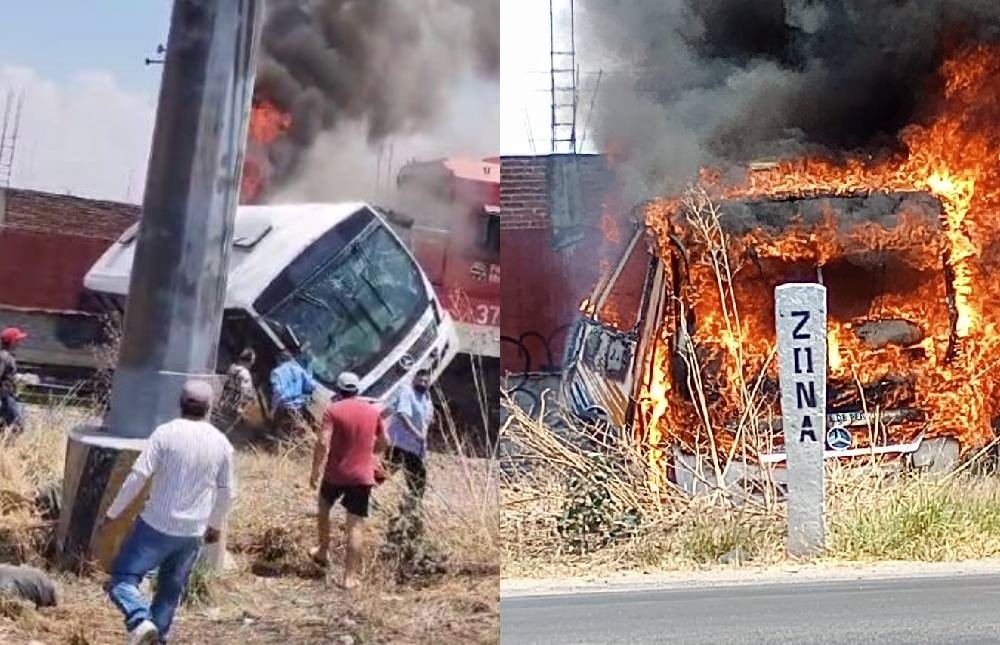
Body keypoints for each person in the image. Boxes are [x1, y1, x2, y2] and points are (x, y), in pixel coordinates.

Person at [100, 380, 235, 645]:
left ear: (180, 403)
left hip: (156, 525)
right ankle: (157, 637)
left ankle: (139, 620)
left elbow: (138, 476)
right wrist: (215, 525)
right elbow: (228, 491)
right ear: (210, 407)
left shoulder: (165, 433)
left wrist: (113, 513)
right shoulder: (221, 443)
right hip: (192, 532)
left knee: (122, 580)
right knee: (169, 592)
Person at [309, 371, 388, 589]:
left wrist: (315, 471)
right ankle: (349, 578)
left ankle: (323, 550)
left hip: (335, 474)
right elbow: (384, 441)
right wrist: (373, 458)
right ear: (358, 390)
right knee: (355, 526)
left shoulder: (333, 410)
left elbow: (323, 442)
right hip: (362, 477)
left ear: (338, 390)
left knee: (323, 507)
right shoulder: (373, 411)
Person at [385, 368, 435, 518]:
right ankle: (360, 495)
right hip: (400, 444)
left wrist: (429, 423)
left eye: (426, 381)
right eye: (420, 380)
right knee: (384, 473)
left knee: (418, 480)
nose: (423, 383)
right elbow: (403, 415)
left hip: (414, 448)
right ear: (414, 379)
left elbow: (426, 418)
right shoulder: (407, 392)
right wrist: (417, 433)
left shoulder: (426, 397)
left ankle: (410, 509)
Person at [269, 349, 315, 439]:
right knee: (292, 432)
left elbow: (278, 392)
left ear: (278, 360)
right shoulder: (300, 370)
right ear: (290, 359)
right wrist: (305, 402)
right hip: (299, 408)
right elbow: (311, 386)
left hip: (284, 408)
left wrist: (273, 409)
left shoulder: (276, 372)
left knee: (277, 431)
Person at [214, 348, 256, 433]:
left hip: (224, 402)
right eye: (253, 360)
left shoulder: (232, 368)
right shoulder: (245, 374)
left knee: (218, 427)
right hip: (235, 406)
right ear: (250, 360)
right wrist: (252, 397)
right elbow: (245, 392)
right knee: (226, 430)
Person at [0, 327, 28, 432]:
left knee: (4, 425)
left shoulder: (6, 356)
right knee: (18, 426)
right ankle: (8, 446)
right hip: (4, 396)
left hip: (7, 395)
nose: (19, 343)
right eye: (18, 340)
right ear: (12, 342)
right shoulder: (4, 357)